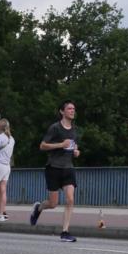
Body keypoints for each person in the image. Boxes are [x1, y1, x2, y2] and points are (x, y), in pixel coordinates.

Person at [30, 100, 80, 242]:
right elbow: (42, 146)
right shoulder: (55, 128)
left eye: (73, 109)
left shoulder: (75, 129)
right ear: (62, 111)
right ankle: (38, 208)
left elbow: (73, 146)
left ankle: (65, 232)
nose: (72, 111)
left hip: (68, 167)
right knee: (53, 204)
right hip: (53, 167)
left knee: (70, 199)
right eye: (69, 108)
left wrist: (76, 151)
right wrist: (60, 144)